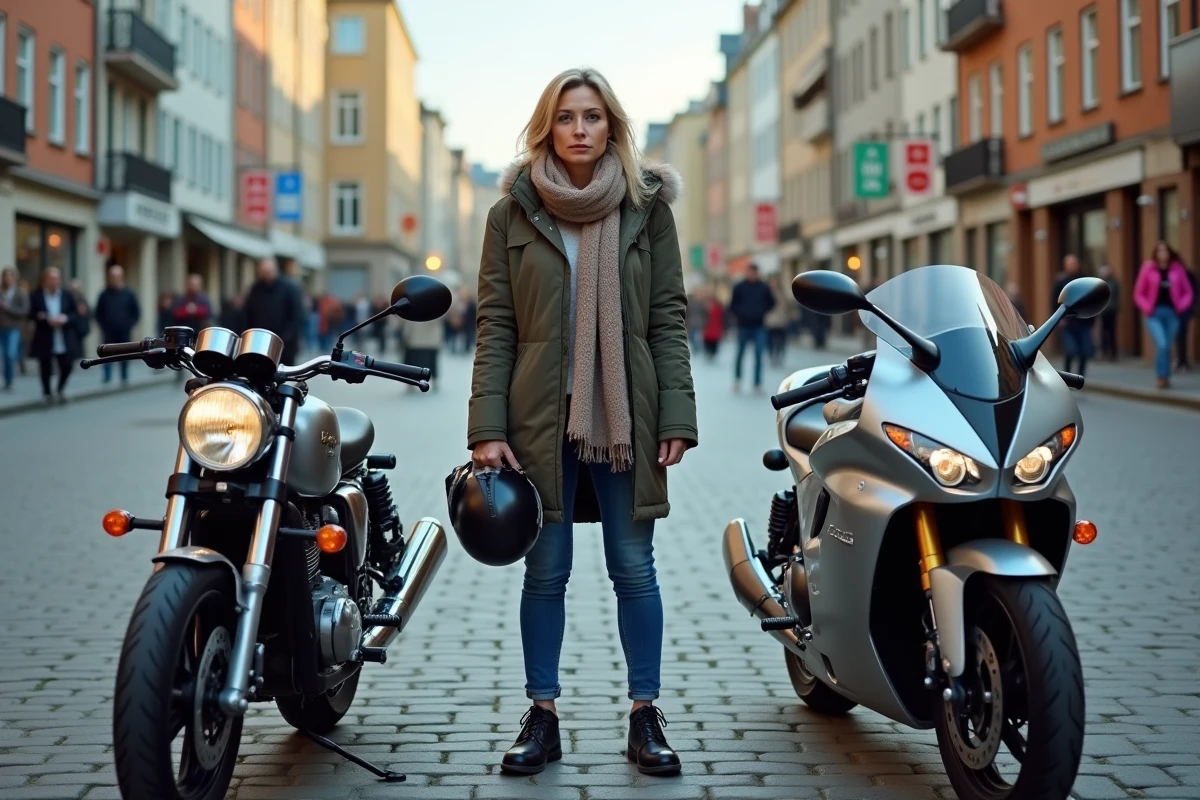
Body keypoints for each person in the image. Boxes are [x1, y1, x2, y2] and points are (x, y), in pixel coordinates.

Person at [468, 67, 696, 777]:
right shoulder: (511, 213)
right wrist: (486, 426)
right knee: (547, 570)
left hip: (626, 414)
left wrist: (678, 413)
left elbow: (667, 317)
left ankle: (644, 715)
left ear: (611, 126)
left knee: (633, 566)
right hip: (539, 418)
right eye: (566, 117)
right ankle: (542, 715)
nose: (579, 129)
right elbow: (496, 325)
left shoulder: (646, 209)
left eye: (592, 116)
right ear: (547, 127)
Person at [1133, 240, 1195, 389]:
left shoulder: (1177, 269)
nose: (1163, 254)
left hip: (1172, 313)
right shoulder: (1148, 268)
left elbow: (1188, 292)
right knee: (1161, 344)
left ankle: (1166, 376)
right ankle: (1161, 376)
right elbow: (1138, 293)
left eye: (1165, 250)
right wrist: (1147, 308)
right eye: (1160, 251)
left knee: (1167, 346)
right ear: (1155, 253)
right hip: (1154, 314)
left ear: (1169, 253)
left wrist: (1181, 306)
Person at [27, 267, 82, 403]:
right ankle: (47, 393)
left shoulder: (66, 295)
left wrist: (65, 318)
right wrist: (43, 318)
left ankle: (60, 389)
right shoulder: (37, 295)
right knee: (45, 365)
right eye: (51, 279)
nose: (54, 282)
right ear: (44, 280)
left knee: (67, 365)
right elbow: (31, 314)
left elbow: (75, 314)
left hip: (63, 336)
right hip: (45, 336)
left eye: (57, 279)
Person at [244, 259, 305, 364]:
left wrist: (287, 336)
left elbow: (297, 315)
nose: (266, 275)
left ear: (275, 271)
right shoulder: (255, 289)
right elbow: (248, 314)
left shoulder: (289, 288)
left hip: (284, 345)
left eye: (269, 271)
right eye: (263, 272)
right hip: (260, 343)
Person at [728, 263, 775, 392]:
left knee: (759, 354)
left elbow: (772, 302)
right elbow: (732, 305)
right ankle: (737, 379)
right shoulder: (739, 287)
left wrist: (761, 311)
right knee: (740, 353)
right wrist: (741, 313)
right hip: (743, 325)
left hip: (759, 325)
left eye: (753, 272)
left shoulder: (763, 287)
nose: (751, 275)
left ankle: (757, 383)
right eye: (749, 272)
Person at [94, 265, 141, 384]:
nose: (114, 279)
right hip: (108, 331)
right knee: (107, 354)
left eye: (117, 276)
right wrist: (103, 325)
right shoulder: (104, 294)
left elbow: (136, 312)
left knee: (125, 353)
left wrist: (129, 325)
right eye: (112, 277)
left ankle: (124, 376)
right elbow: (98, 312)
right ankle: (107, 376)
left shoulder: (129, 294)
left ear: (122, 277)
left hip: (124, 331)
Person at [1052, 255, 1095, 376]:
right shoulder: (1060, 281)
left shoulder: (1084, 280)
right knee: (1070, 350)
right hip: (1068, 322)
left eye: (1073, 264)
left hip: (1084, 321)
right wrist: (1058, 319)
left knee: (1085, 351)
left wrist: (1092, 318)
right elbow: (1054, 301)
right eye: (1069, 264)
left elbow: (1091, 299)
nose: (1071, 266)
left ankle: (1080, 376)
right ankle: (1067, 375)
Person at [0, 266, 30, 390]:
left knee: (10, 354)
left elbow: (24, 311)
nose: (7, 279)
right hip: (1, 328)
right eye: (5, 276)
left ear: (14, 278)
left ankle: (10, 380)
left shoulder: (20, 293)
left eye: (9, 276)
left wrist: (7, 307)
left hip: (13, 328)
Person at [1096, 265, 1120, 361]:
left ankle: (1113, 353)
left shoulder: (1114, 283)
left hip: (1112, 310)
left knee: (1111, 332)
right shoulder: (1099, 283)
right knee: (1103, 332)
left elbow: (1117, 296)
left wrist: (1117, 307)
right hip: (1103, 311)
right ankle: (1103, 351)